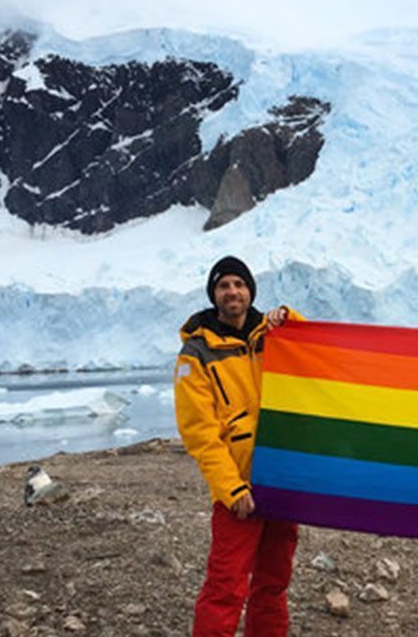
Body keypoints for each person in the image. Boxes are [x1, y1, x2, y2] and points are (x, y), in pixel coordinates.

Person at [174, 255, 304, 637]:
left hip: (280, 481)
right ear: (214, 295)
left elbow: (317, 357)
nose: (232, 291)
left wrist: (291, 319)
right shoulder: (196, 353)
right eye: (223, 285)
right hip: (239, 489)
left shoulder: (273, 336)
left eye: (239, 284)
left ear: (250, 291)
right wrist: (230, 488)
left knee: (273, 583)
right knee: (226, 587)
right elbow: (199, 432)